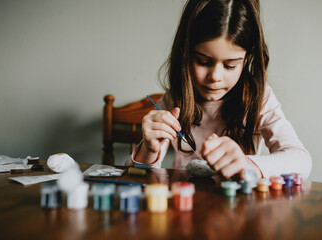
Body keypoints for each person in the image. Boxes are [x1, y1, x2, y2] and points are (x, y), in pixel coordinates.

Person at [126, 0, 312, 179]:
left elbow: (302, 161)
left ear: (247, 58)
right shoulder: (174, 100)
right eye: (203, 61)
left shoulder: (259, 98)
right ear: (186, 52)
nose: (215, 76)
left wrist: (247, 164)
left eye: (230, 66)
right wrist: (147, 152)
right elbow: (138, 176)